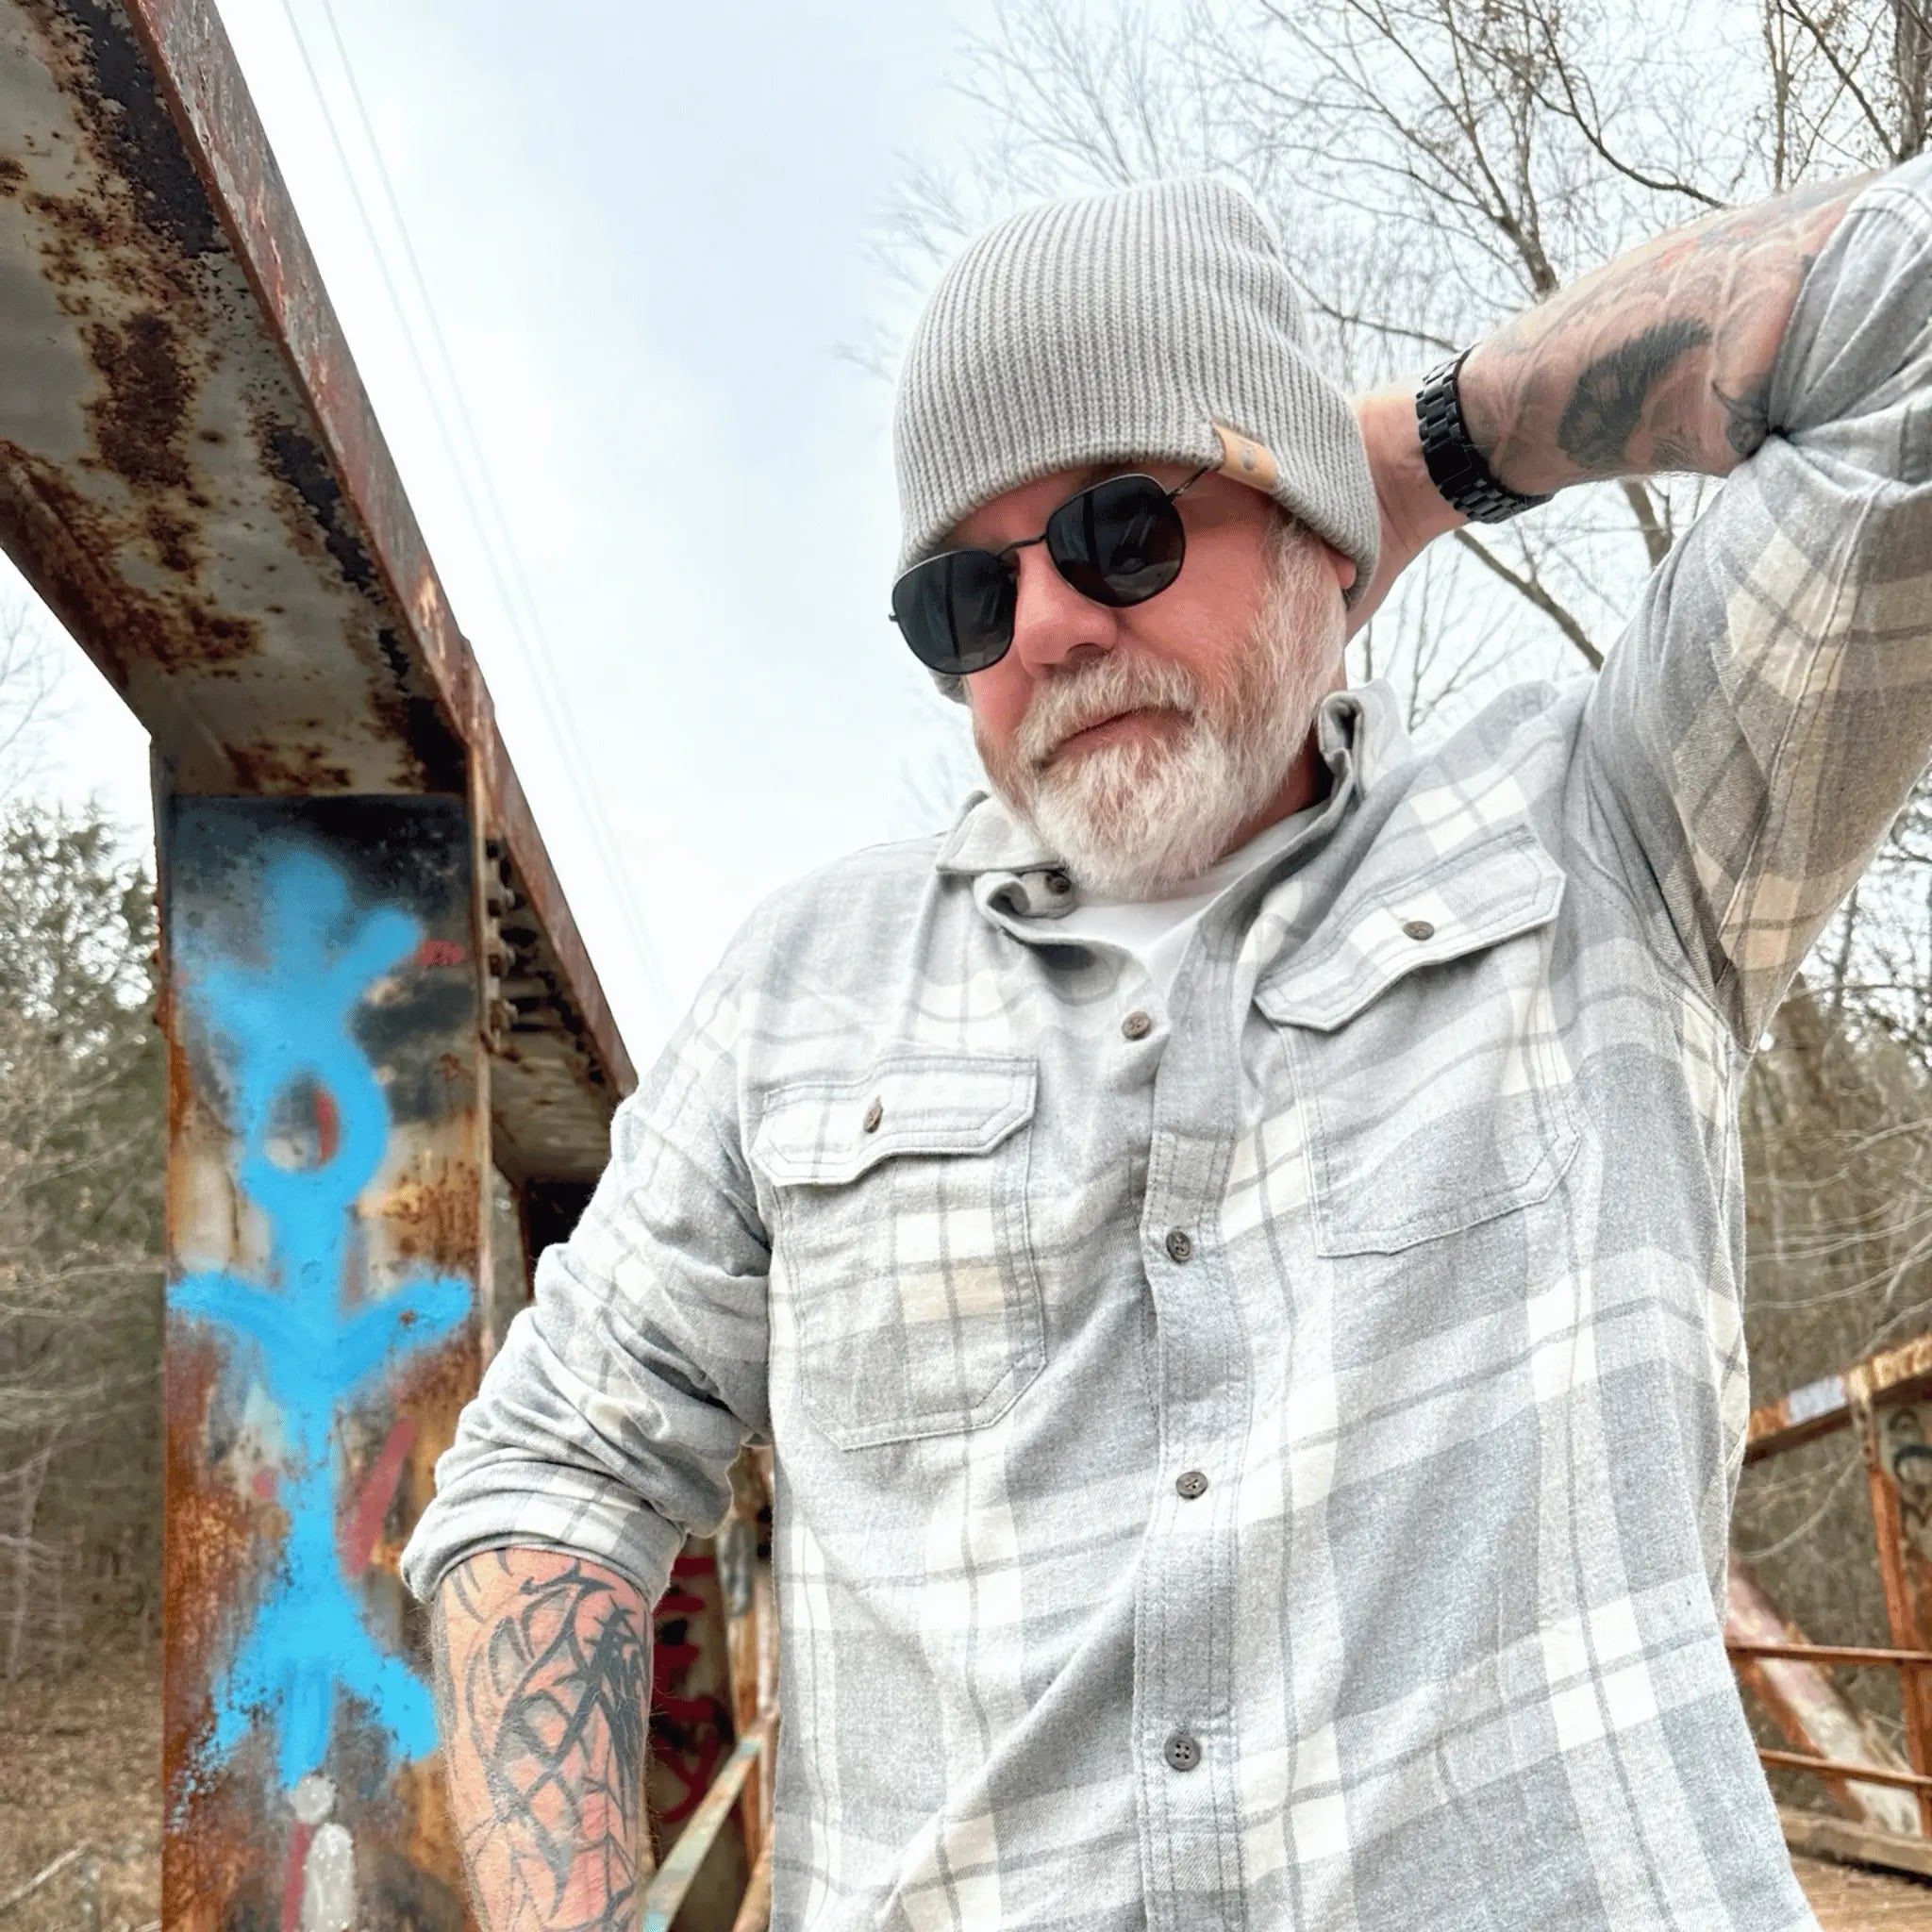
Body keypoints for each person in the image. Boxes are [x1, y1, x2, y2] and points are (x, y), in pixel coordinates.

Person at [401, 156, 1932, 1931]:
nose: (1048, 623)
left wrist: (1419, 457)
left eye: (1125, 528)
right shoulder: (801, 990)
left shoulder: (1618, 833)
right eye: (965, 602)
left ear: (1306, 527)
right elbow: (549, 1471)